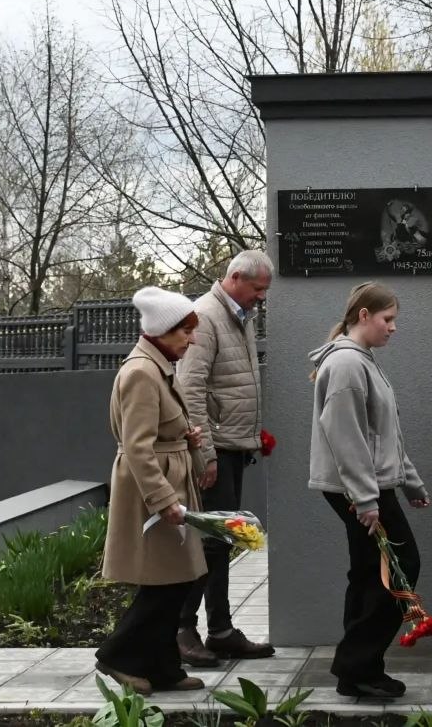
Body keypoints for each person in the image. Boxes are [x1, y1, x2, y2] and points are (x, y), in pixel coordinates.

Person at [309, 282, 430, 699]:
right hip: (359, 488)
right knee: (400, 566)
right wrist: (365, 498)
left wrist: (409, 481)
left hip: (370, 485)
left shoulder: (362, 361)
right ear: (363, 315)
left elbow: (384, 433)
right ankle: (357, 665)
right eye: (387, 319)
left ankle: (357, 671)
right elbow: (347, 436)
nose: (393, 328)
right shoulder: (346, 364)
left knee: (367, 574)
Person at [95, 286, 211, 694]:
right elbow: (138, 446)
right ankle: (117, 656)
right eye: (185, 332)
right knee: (165, 583)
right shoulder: (142, 372)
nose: (191, 339)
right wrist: (164, 501)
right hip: (154, 490)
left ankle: (162, 667)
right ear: (163, 331)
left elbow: (155, 431)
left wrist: (186, 438)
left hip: (167, 480)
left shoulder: (158, 365)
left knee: (173, 579)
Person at [176, 250, 276, 666]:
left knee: (222, 541)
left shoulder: (236, 314)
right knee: (211, 543)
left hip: (233, 447)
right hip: (216, 450)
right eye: (257, 289)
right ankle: (183, 630)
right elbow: (191, 388)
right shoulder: (207, 315)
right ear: (235, 277)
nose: (261, 298)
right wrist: (206, 456)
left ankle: (220, 630)